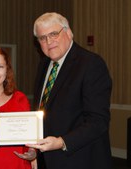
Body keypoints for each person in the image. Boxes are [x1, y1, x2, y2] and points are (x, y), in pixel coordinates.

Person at [27, 12, 112, 169]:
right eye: (42, 38)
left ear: (68, 32)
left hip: (80, 159)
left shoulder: (91, 64)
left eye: (53, 34)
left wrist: (61, 142)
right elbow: (43, 110)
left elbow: (98, 121)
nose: (48, 41)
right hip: (47, 159)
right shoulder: (44, 64)